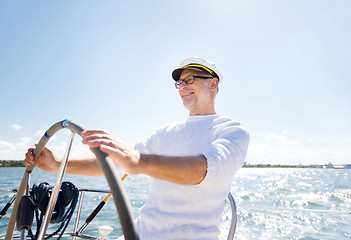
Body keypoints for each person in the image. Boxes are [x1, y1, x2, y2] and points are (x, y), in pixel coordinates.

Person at [25, 57, 250, 239]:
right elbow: (116, 162)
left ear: (213, 84)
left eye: (190, 79)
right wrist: (57, 165)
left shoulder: (232, 131)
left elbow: (205, 169)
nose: (183, 87)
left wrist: (138, 162)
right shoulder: (165, 133)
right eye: (179, 83)